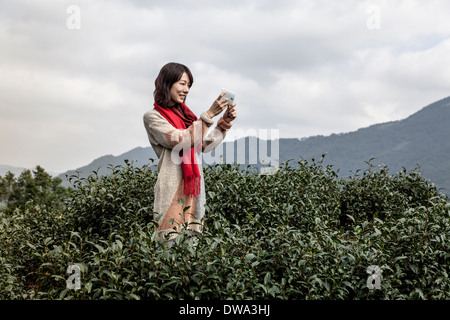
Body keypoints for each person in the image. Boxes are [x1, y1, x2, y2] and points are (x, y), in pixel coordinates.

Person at [143, 62, 237, 245]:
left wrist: (222, 123)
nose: (186, 90)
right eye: (181, 83)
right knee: (168, 253)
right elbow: (181, 139)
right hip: (171, 195)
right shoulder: (153, 117)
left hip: (193, 195)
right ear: (166, 83)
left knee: (190, 259)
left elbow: (203, 146)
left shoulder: (188, 118)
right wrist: (209, 115)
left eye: (188, 85)